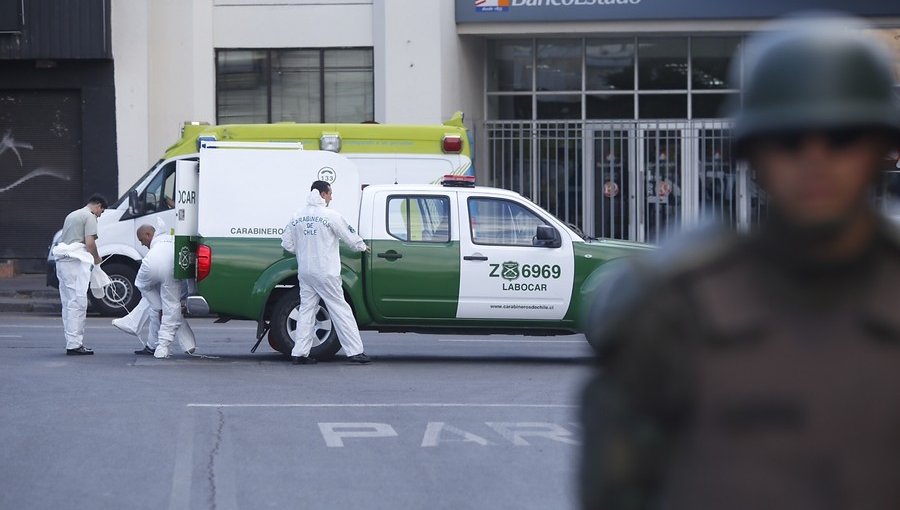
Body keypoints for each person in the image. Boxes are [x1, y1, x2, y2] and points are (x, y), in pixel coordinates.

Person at [580, 15, 900, 510]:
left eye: (841, 136)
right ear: (752, 153)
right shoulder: (673, 310)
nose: (815, 157)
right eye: (789, 139)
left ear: (880, 148)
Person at [281, 180, 372, 365]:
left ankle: (299, 353)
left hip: (305, 271)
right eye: (330, 193)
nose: (332, 197)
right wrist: (362, 246)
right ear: (323, 194)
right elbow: (350, 237)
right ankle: (355, 351)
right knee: (340, 309)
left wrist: (304, 251)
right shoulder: (331, 215)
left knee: (306, 310)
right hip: (325, 272)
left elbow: (287, 243)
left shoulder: (296, 215)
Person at [52, 194, 107, 355]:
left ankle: (71, 342)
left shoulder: (72, 215)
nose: (99, 215)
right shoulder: (89, 216)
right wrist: (97, 259)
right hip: (74, 264)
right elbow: (90, 243)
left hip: (62, 263)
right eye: (101, 211)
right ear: (97, 205)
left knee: (68, 303)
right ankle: (75, 345)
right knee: (78, 303)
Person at [133, 223, 183, 359]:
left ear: (148, 235)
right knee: (171, 307)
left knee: (143, 288)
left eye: (142, 240)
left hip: (151, 264)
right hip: (172, 267)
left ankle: (153, 345)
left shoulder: (155, 248)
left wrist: (158, 305)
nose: (142, 244)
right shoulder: (169, 238)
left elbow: (141, 284)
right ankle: (162, 347)